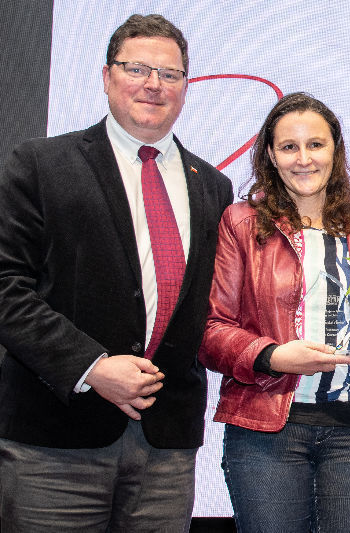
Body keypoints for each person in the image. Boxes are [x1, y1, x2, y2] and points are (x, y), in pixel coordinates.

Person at [0, 14, 233, 532]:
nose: (154, 84)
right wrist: (92, 366)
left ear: (186, 88)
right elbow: (5, 288)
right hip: (54, 444)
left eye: (169, 74)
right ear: (107, 77)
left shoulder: (213, 187)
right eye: (137, 68)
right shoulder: (41, 162)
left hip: (165, 448)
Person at [200, 92, 350, 533]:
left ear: (336, 151)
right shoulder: (241, 223)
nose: (304, 159)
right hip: (265, 430)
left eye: (316, 145)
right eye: (289, 147)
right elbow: (210, 330)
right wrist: (273, 357)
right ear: (270, 154)